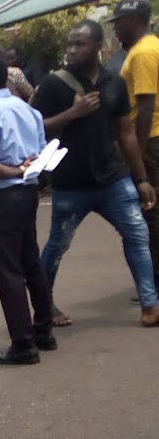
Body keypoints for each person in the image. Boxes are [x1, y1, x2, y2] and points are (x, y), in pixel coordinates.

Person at [33, 19, 159, 328]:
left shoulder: (114, 82)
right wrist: (72, 114)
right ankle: (43, 305)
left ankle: (150, 305)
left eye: (80, 44)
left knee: (137, 236)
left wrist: (141, 178)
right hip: (70, 184)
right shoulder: (54, 84)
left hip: (113, 180)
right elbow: (35, 126)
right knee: (57, 246)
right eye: (70, 44)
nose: (73, 50)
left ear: (99, 47)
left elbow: (126, 133)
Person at [0, 54, 55, 364]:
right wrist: (25, 170)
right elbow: (42, 148)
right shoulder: (26, 108)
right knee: (30, 260)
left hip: (2, 197)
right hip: (29, 193)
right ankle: (43, 331)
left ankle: (23, 344)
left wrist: (17, 169)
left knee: (8, 271)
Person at [113, 0, 159, 290]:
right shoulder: (151, 46)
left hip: (151, 139)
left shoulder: (142, 53)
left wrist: (136, 158)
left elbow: (144, 106)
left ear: (133, 21)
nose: (115, 29)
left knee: (150, 214)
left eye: (118, 23)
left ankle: (154, 285)